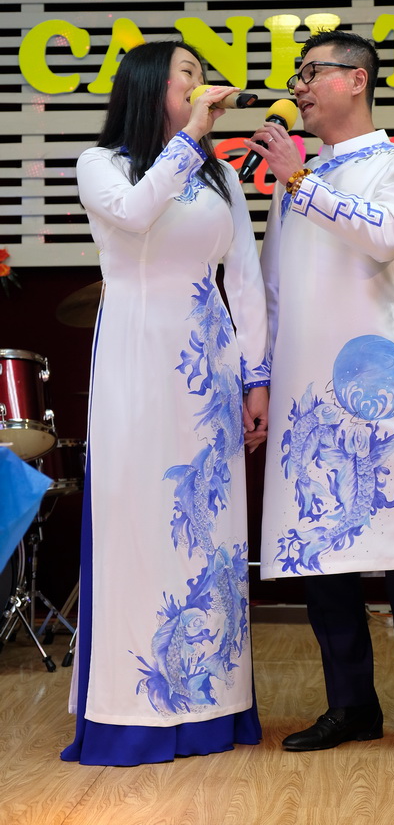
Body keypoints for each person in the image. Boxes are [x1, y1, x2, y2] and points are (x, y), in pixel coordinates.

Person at [248, 29, 394, 760]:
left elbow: (387, 233)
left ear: (357, 80)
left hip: (372, 378)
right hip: (302, 383)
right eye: (297, 76)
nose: (299, 87)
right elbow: (273, 291)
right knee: (317, 545)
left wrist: (300, 182)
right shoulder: (292, 184)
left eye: (312, 73)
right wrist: (260, 379)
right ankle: (351, 705)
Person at [61, 40, 269, 766]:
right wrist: (190, 139)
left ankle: (212, 703)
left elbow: (245, 277)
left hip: (210, 362)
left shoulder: (220, 176)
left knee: (212, 529)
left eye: (202, 76)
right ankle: (131, 711)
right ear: (152, 86)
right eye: (188, 74)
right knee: (139, 516)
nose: (201, 85)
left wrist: (255, 376)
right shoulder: (102, 165)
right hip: (139, 357)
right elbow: (135, 214)